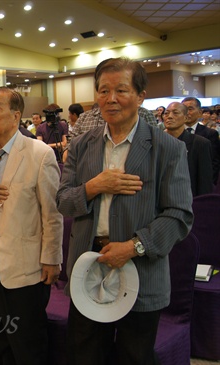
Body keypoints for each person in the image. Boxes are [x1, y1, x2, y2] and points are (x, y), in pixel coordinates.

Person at [57, 57, 193, 365]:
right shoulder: (81, 145)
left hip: (141, 268)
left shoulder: (167, 148)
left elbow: (180, 214)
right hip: (88, 265)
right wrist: (95, 186)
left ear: (141, 95)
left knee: (135, 355)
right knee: (85, 352)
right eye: (103, 91)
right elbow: (63, 201)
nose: (111, 98)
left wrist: (133, 247)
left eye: (121, 90)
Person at [0, 87, 63, 364]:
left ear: (16, 115)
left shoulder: (39, 153)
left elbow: (52, 213)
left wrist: (52, 258)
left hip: (23, 258)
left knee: (26, 335)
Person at [163, 102, 213, 196]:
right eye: (166, 113)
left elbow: (204, 182)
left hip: (189, 198)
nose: (169, 116)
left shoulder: (200, 143)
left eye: (175, 113)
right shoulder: (157, 142)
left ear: (185, 118)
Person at [182, 96, 220, 184]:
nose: (187, 113)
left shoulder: (210, 134)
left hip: (202, 182)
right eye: (184, 109)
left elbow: (214, 162)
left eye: (190, 109)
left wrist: (210, 183)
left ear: (199, 113)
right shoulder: (174, 134)